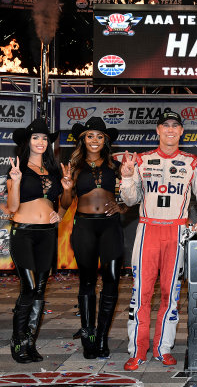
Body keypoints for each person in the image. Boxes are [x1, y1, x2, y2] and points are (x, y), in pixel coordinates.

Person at [120, 110, 197, 371]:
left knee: (169, 295)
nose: (170, 130)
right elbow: (129, 200)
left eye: (175, 126)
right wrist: (127, 176)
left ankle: (163, 348)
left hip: (176, 232)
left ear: (181, 131)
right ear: (158, 130)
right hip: (148, 230)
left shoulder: (192, 161)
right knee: (140, 295)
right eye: (166, 126)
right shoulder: (141, 160)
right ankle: (137, 351)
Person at [60, 116, 124, 359]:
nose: (94, 140)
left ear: (105, 140)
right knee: (86, 282)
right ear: (82, 140)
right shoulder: (73, 167)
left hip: (111, 228)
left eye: (99, 136)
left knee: (111, 282)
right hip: (84, 227)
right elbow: (65, 204)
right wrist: (66, 189)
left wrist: (123, 207)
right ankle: (88, 337)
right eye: (90, 136)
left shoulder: (116, 166)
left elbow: (132, 195)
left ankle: (101, 337)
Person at [7, 118, 63, 363]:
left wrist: (60, 214)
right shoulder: (18, 168)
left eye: (44, 138)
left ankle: (30, 342)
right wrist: (17, 181)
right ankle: (18, 341)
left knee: (40, 290)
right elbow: (11, 207)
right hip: (24, 232)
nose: (41, 142)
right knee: (28, 288)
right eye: (35, 137)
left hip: (48, 233)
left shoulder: (54, 170)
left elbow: (61, 203)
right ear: (27, 142)